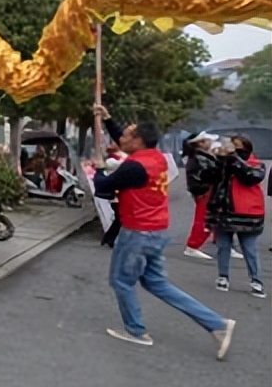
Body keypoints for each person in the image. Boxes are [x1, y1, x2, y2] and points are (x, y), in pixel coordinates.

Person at [91, 104, 235, 358]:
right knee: (157, 283)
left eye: (127, 134)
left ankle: (136, 331)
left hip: (137, 232)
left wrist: (99, 168)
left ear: (138, 140)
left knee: (121, 281)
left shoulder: (133, 167)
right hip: (157, 231)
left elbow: (102, 188)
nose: (121, 136)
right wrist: (108, 118)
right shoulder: (155, 158)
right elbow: (125, 143)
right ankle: (217, 324)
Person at [200, 135, 266, 298]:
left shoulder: (255, 163)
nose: (232, 149)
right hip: (224, 211)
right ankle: (223, 276)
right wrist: (214, 158)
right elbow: (206, 178)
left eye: (236, 147)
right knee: (223, 246)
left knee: (249, 248)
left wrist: (234, 158)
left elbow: (250, 177)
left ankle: (256, 280)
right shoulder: (222, 163)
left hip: (247, 213)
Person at [182, 132, 219, 260]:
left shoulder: (201, 156)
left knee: (213, 217)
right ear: (201, 143)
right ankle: (193, 245)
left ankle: (220, 241)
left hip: (206, 190)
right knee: (204, 218)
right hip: (205, 190)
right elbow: (211, 173)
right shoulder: (200, 157)